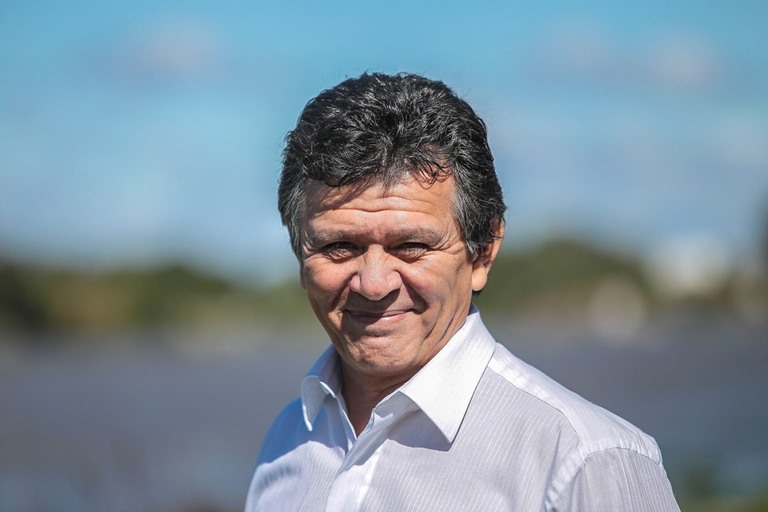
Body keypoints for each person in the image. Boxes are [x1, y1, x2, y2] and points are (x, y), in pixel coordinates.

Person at [245, 72, 680, 511]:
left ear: (482, 253)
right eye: (340, 246)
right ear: (300, 255)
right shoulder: (287, 441)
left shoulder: (584, 463)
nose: (374, 284)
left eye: (411, 246)